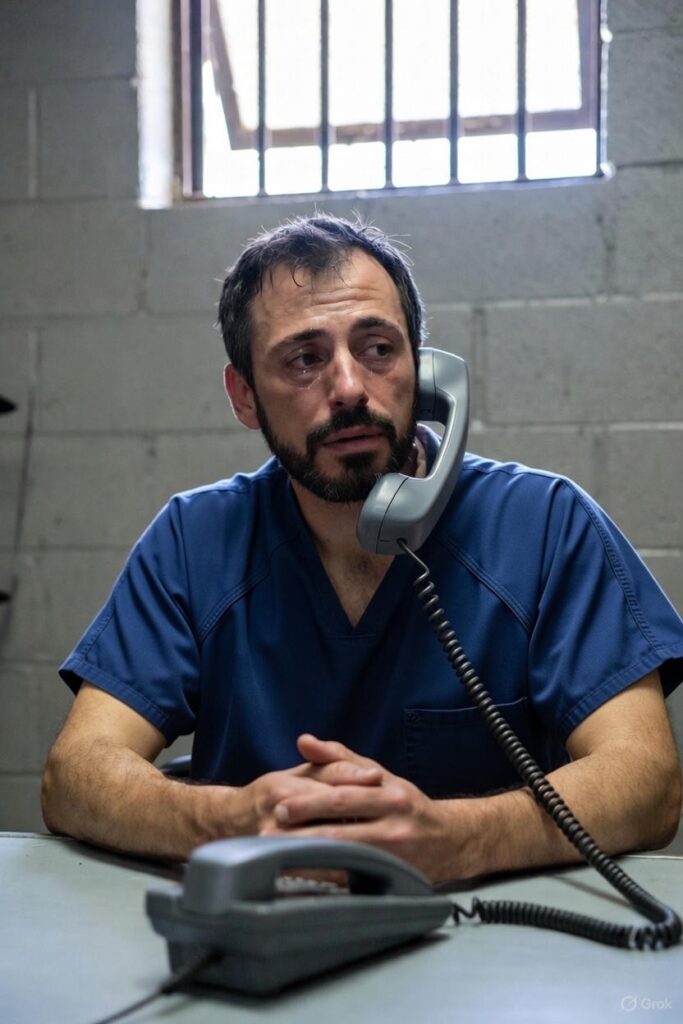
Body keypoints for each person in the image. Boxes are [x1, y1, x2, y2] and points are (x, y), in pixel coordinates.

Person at [42, 215, 683, 884]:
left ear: (423, 370)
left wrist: (457, 840)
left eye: (378, 348)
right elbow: (74, 774)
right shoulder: (193, 539)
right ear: (245, 397)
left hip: (490, 936)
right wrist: (228, 821)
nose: (349, 387)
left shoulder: (545, 524)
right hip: (262, 931)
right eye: (304, 359)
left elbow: (648, 780)